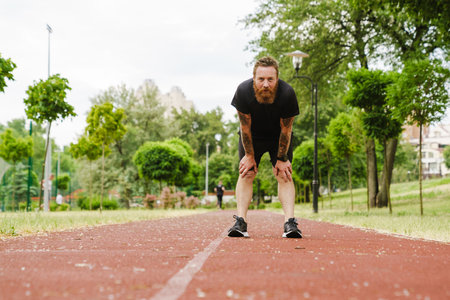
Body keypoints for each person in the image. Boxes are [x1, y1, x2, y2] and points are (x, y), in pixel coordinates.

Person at [228, 56, 302, 239]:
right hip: (252, 136)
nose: (266, 84)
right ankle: (241, 222)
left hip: (279, 136)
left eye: (270, 79)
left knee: (284, 174)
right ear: (254, 78)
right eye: (261, 79)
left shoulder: (287, 94)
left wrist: (282, 159)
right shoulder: (243, 92)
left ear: (277, 79)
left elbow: (286, 129)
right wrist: (249, 156)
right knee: (247, 172)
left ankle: (290, 223)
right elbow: (244, 128)